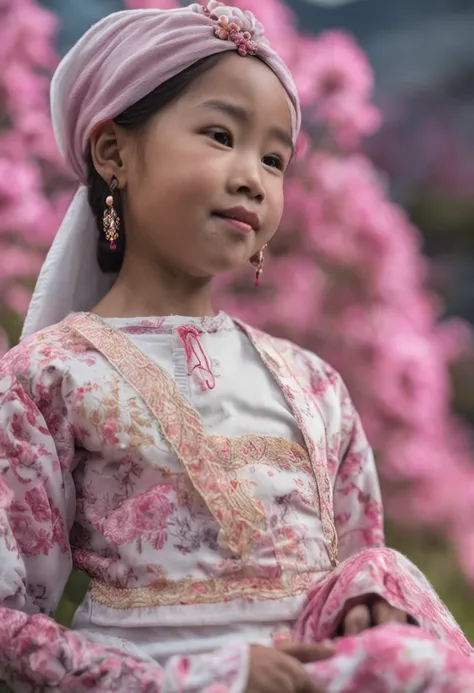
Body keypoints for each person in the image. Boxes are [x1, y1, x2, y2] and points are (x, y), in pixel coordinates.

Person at [0, 2, 473, 692]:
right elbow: (10, 620)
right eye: (221, 135)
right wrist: (211, 676)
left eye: (275, 158)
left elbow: (358, 566)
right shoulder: (49, 376)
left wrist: (371, 592)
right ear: (113, 152)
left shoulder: (314, 384)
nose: (253, 175)